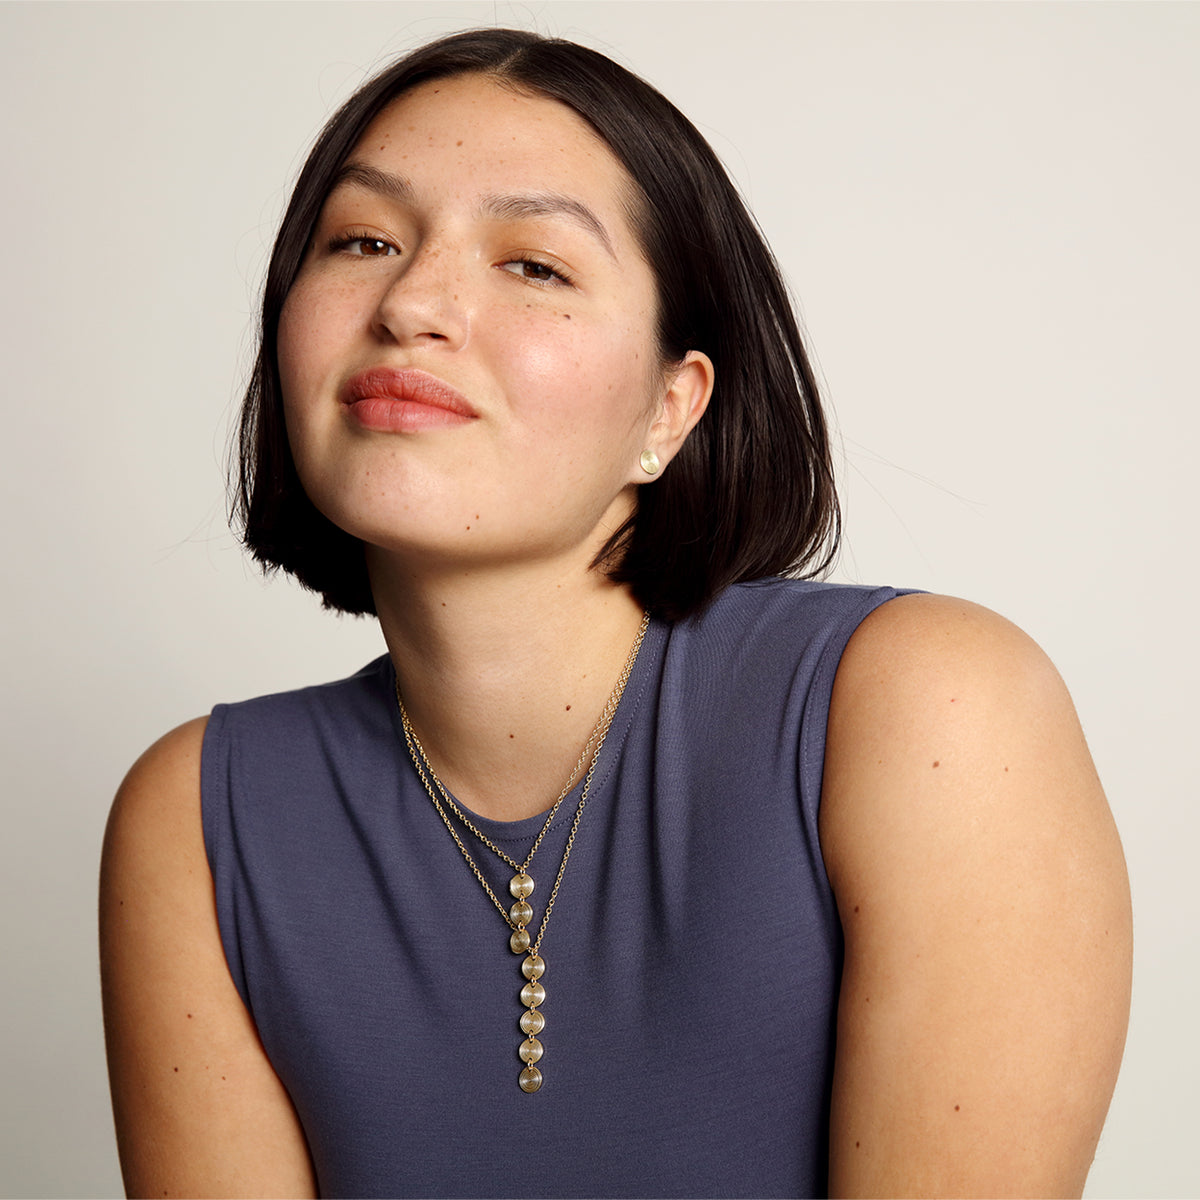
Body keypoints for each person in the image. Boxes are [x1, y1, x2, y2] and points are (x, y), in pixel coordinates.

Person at [99, 28, 1131, 1199]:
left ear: (670, 410)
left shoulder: (928, 709)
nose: (412, 305)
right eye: (364, 240)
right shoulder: (197, 817)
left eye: (533, 264)